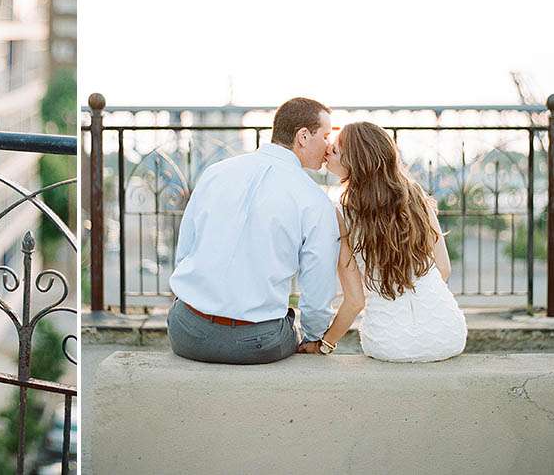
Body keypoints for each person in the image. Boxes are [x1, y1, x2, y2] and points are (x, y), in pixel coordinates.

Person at [166, 97, 339, 364]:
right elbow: (317, 288)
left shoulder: (215, 173)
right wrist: (314, 336)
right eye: (326, 136)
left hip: (187, 332)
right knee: (285, 324)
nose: (329, 146)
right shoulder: (314, 200)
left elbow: (185, 250)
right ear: (303, 136)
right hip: (256, 343)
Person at [299, 122, 467, 362]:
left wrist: (324, 344)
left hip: (389, 343)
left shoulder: (342, 215)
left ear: (356, 162)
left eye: (335, 150)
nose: (327, 152)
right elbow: (444, 269)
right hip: (448, 334)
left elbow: (355, 301)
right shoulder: (415, 195)